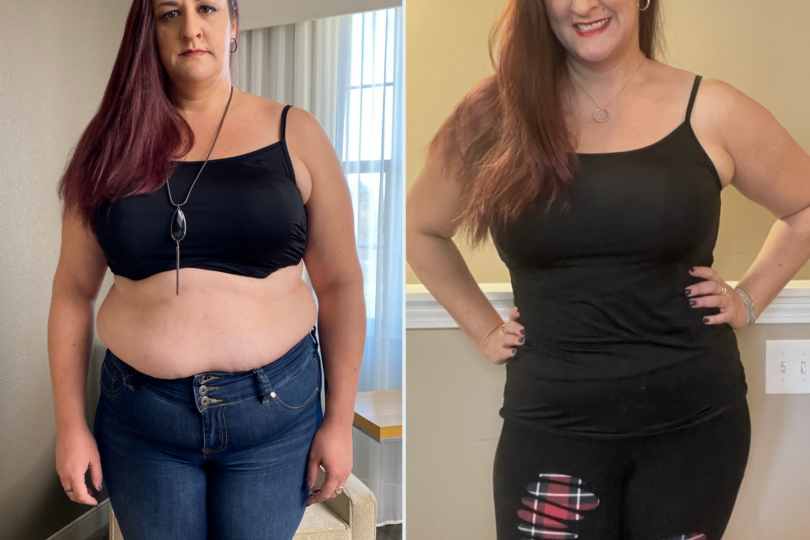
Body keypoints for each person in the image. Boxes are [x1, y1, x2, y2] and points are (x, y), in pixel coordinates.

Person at [406, 0, 810, 539]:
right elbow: (419, 228)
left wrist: (750, 297)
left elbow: (803, 205)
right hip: (551, 426)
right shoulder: (493, 115)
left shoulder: (710, 108)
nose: (584, 4)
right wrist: (481, 327)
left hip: (695, 428)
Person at [47, 1, 365, 538]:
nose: (191, 27)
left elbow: (341, 284)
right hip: (143, 421)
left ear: (233, 24)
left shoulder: (296, 132)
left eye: (208, 8)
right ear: (148, 29)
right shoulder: (108, 148)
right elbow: (73, 293)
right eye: (170, 11)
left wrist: (339, 420)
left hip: (276, 417)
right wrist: (70, 423)